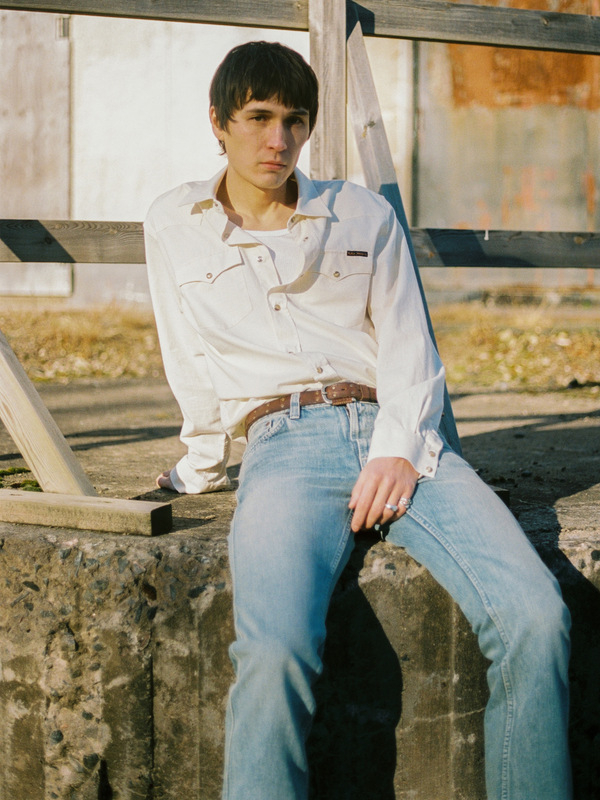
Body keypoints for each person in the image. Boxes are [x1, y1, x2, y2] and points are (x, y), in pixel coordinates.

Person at [144, 40, 572, 800]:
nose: (278, 140)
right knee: (273, 654)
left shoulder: (361, 212)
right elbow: (189, 361)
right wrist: (199, 467)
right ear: (218, 122)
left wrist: (398, 450)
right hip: (282, 444)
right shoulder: (175, 222)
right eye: (259, 118)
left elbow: (410, 344)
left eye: (295, 121)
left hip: (400, 436)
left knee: (538, 619)